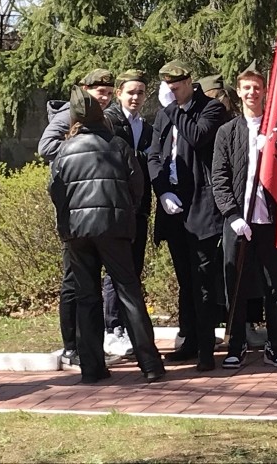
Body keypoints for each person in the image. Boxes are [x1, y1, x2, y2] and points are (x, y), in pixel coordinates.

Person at [49, 87, 166, 384]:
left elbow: (56, 192)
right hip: (114, 228)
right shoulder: (118, 145)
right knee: (128, 292)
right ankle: (150, 365)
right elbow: (136, 186)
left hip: (77, 233)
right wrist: (125, 212)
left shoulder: (64, 150)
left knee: (87, 298)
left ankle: (91, 369)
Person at [147, 60, 228, 371]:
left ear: (189, 82)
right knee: (185, 280)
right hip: (173, 206)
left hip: (201, 207)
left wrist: (177, 110)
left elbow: (197, 137)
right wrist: (162, 191)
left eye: (177, 84)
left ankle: (206, 348)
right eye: (168, 84)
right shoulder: (165, 113)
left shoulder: (210, 108)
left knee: (203, 279)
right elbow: (155, 154)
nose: (172, 89)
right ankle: (189, 340)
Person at [212, 63, 277, 369]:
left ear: (265, 91)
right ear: (238, 91)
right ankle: (236, 344)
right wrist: (232, 215)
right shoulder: (226, 132)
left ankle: (276, 344)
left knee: (275, 286)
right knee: (236, 285)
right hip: (238, 222)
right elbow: (218, 177)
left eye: (257, 87)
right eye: (246, 87)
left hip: (270, 221)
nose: (251, 93)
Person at [38, 68, 119, 370]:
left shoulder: (106, 118)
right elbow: (45, 147)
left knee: (89, 284)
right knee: (73, 281)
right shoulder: (66, 117)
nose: (105, 97)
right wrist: (83, 151)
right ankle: (70, 345)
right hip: (74, 212)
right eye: (100, 92)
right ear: (85, 90)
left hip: (96, 210)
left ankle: (90, 346)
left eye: (109, 93)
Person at [102, 70, 153, 358]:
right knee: (115, 271)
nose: (135, 97)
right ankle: (113, 329)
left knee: (133, 269)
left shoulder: (145, 127)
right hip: (116, 208)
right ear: (119, 92)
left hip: (139, 208)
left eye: (140, 93)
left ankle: (129, 326)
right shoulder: (110, 121)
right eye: (130, 92)